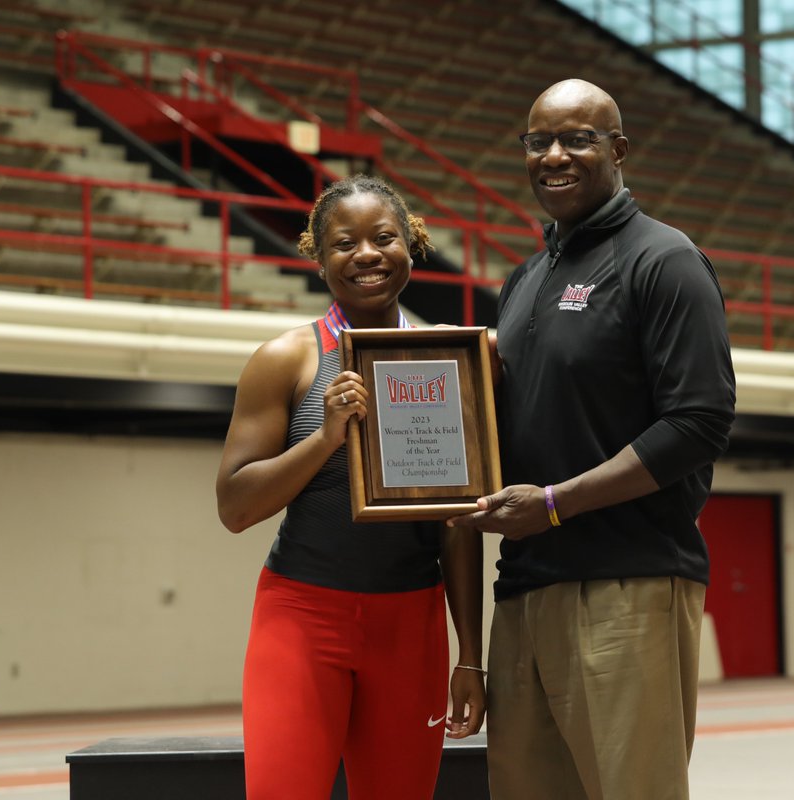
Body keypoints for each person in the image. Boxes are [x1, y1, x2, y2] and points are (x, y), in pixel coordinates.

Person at [449, 79, 736, 800]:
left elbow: (698, 423)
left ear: (619, 150)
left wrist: (553, 504)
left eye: (577, 138)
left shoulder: (663, 261)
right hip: (522, 592)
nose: (554, 155)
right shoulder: (524, 280)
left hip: (627, 586)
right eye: (538, 140)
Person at [216, 174, 485, 800]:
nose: (366, 255)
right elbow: (234, 507)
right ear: (318, 256)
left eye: (384, 238)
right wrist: (325, 438)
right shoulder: (287, 360)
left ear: (411, 245)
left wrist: (469, 653)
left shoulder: (447, 362)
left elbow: (458, 522)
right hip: (303, 618)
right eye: (344, 244)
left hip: (410, 625)